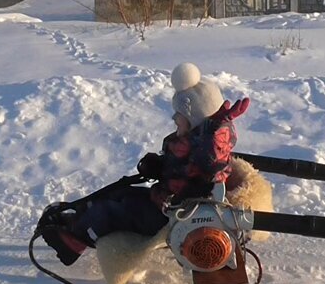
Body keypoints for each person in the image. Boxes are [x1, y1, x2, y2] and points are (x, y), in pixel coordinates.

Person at [41, 63, 250, 266]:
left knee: (112, 211)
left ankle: (73, 242)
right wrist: (159, 165)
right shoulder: (190, 143)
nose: (174, 117)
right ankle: (78, 220)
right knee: (120, 194)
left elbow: (210, 159)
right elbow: (182, 170)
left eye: (180, 115)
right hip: (161, 202)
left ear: (195, 119)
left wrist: (214, 129)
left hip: (170, 216)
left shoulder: (209, 147)